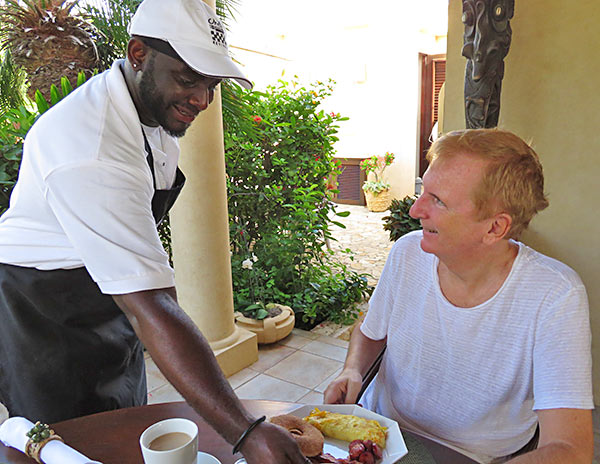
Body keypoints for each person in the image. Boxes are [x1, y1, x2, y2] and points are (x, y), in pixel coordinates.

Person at [0, 0, 309, 462]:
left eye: (212, 84)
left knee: (128, 428)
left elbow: (147, 303)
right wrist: (245, 431)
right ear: (138, 53)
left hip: (104, 301)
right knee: (67, 447)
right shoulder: (93, 149)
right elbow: (151, 305)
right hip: (45, 316)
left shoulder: (155, 113)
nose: (202, 100)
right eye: (188, 78)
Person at [324, 128, 593, 464]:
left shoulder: (554, 295)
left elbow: (571, 449)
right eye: (424, 190)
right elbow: (371, 331)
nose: (414, 210)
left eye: (438, 200)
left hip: (471, 457)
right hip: (379, 437)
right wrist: (352, 370)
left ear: (495, 227)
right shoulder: (408, 253)